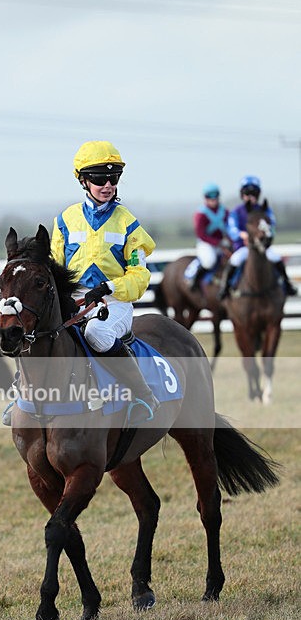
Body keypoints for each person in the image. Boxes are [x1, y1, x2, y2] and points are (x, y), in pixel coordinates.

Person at [50, 139, 159, 422]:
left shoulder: (128, 223)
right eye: (100, 178)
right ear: (84, 180)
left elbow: (139, 276)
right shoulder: (64, 220)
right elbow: (54, 267)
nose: (108, 184)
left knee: (96, 333)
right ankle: (23, 398)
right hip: (73, 302)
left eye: (113, 178)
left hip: (114, 302)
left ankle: (141, 395)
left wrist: (109, 287)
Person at [219, 176, 297, 299]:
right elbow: (231, 228)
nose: (250, 197)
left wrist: (266, 236)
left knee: (276, 258)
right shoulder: (237, 211)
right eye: (247, 194)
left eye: (253, 193)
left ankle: (287, 285)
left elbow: (272, 226)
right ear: (242, 195)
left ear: (258, 195)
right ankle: (225, 288)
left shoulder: (265, 210)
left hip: (263, 247)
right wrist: (241, 234)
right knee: (235, 260)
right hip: (244, 247)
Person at [185, 183, 230, 291]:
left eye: (215, 196)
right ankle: (192, 274)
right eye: (210, 196)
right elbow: (201, 234)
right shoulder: (201, 214)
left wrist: (228, 241)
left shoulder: (225, 211)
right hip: (206, 243)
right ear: (205, 198)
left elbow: (229, 228)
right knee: (209, 261)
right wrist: (218, 243)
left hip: (222, 242)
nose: (213, 199)